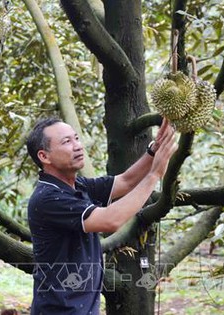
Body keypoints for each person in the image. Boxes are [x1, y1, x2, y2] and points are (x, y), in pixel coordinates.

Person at [25, 117, 177, 315]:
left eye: (76, 138)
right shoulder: (48, 198)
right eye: (66, 142)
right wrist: (155, 174)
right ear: (45, 156)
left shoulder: (77, 186)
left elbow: (126, 181)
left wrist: (154, 149)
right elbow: (109, 220)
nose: (78, 146)